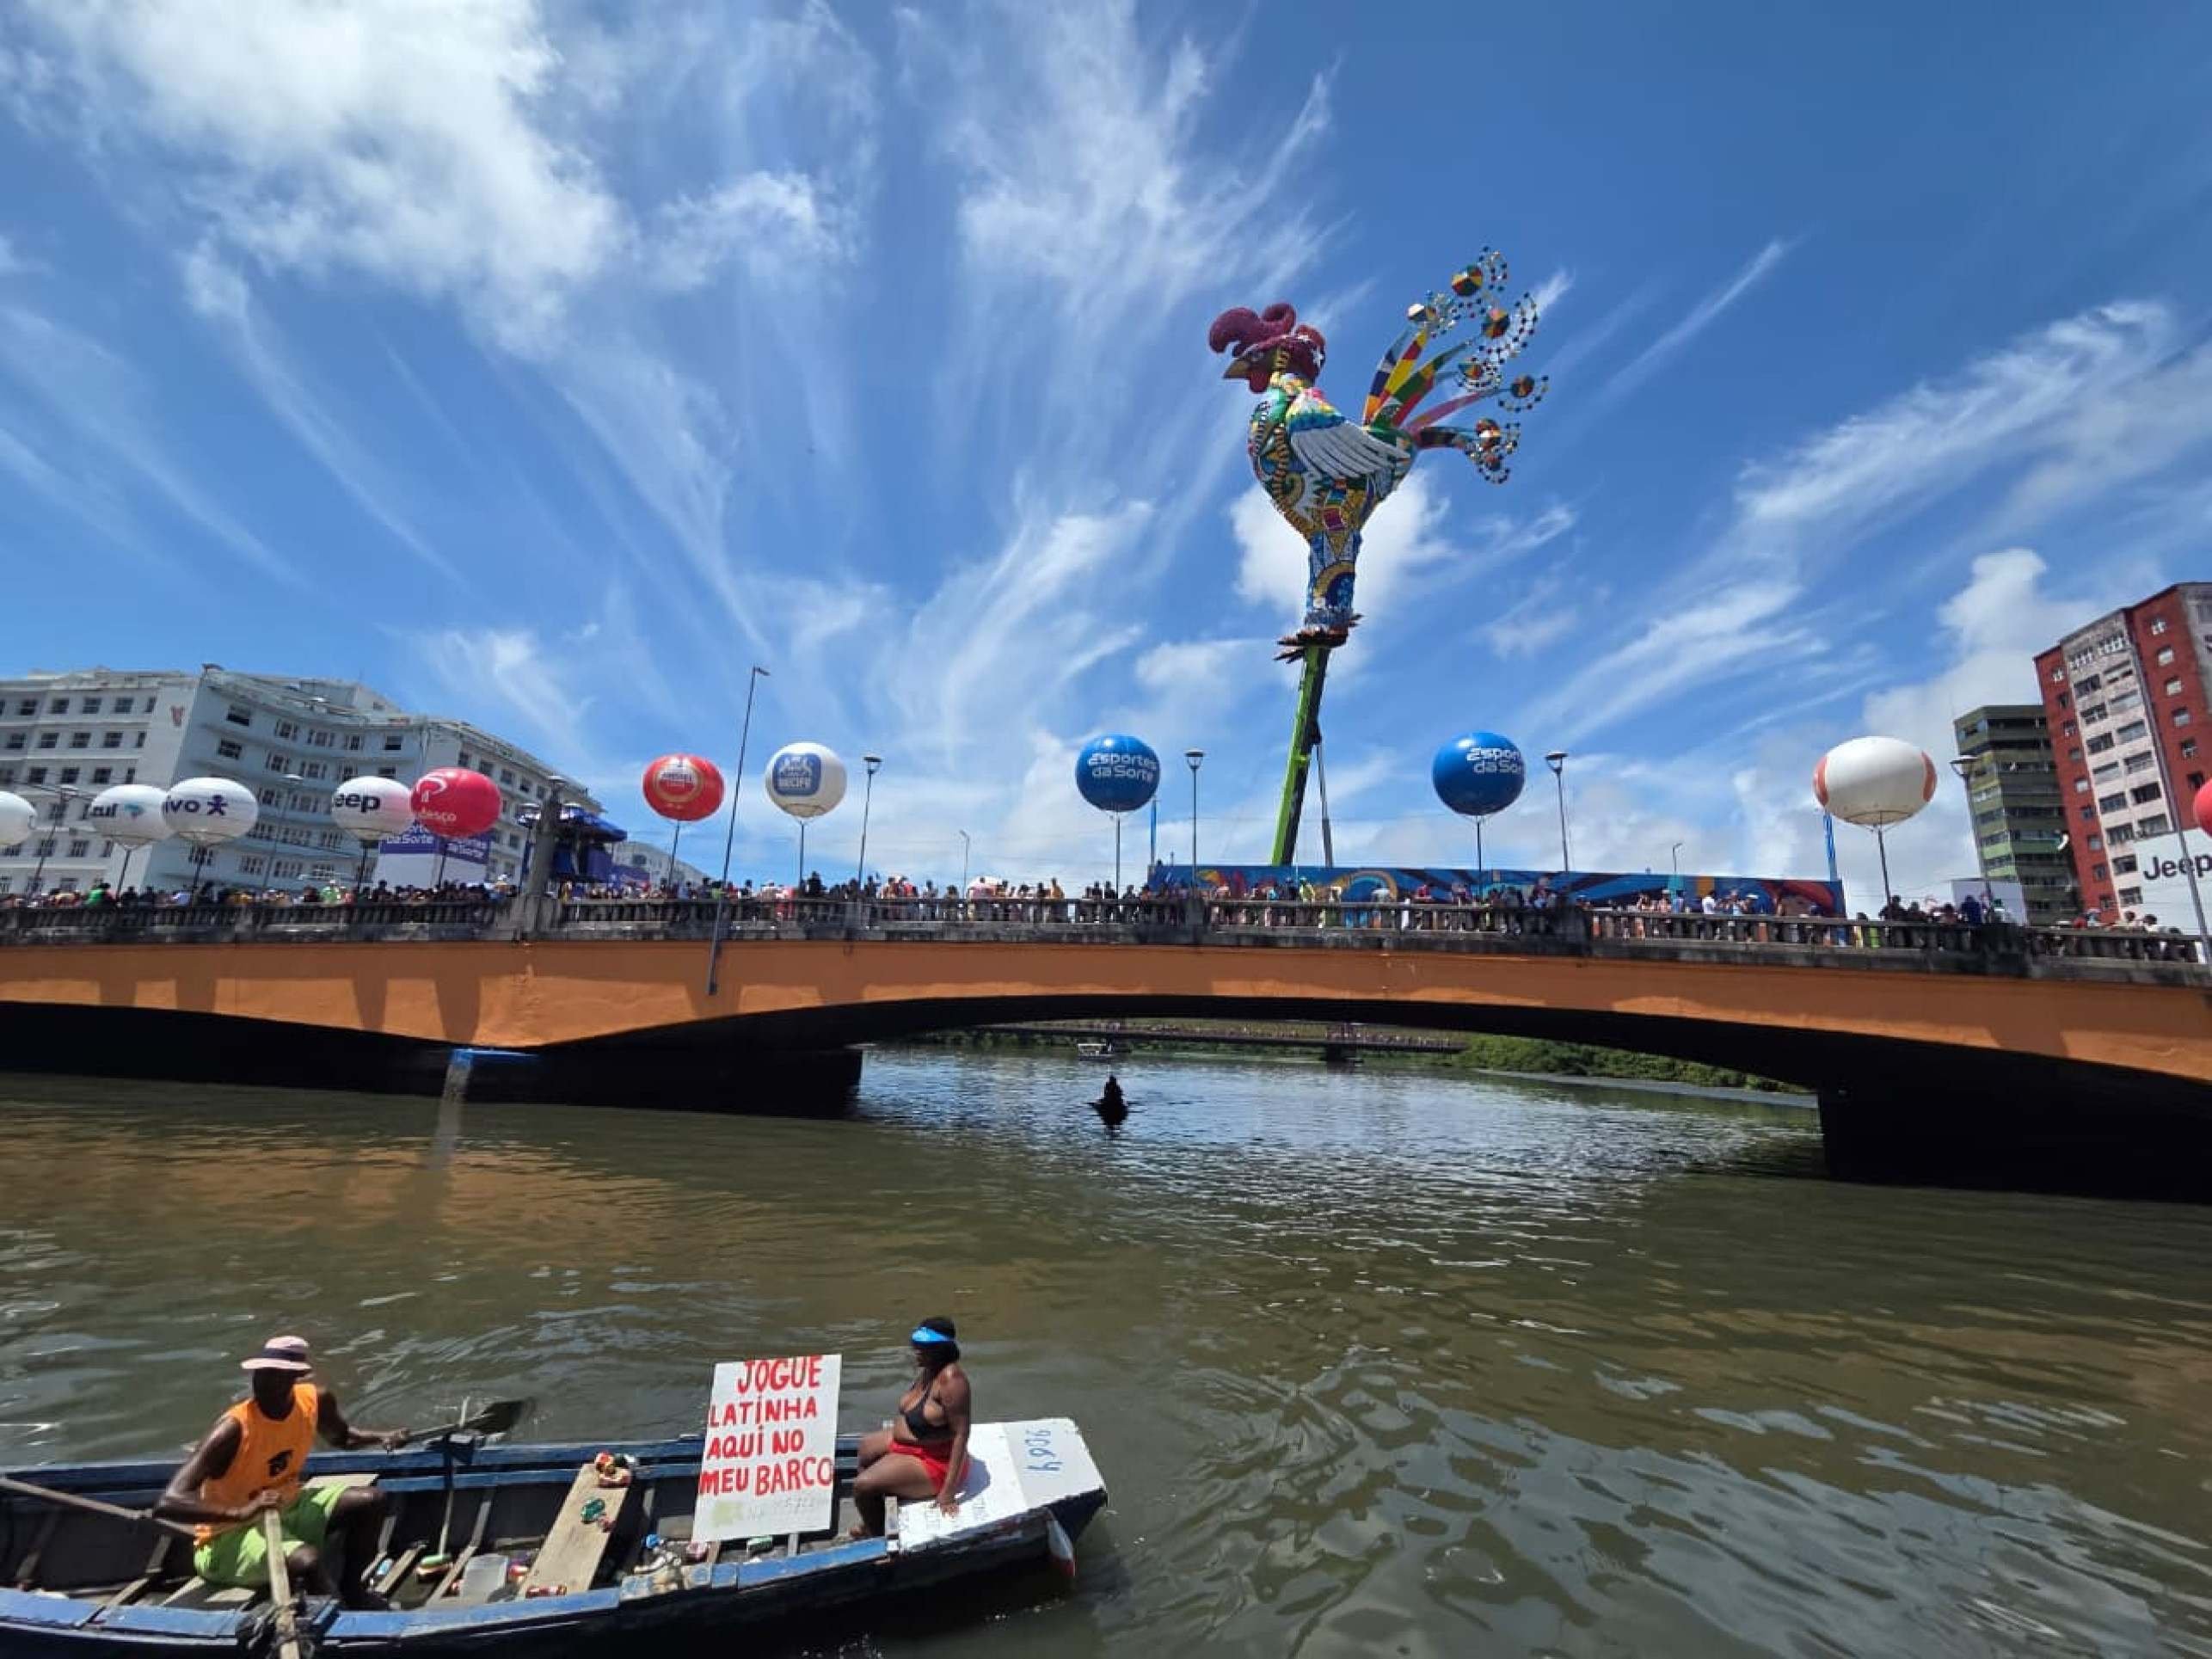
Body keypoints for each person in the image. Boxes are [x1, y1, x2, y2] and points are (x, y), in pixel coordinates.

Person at [157, 1336, 406, 1608]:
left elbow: (343, 1438)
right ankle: (335, 1617)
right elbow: (169, 1502)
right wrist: (242, 1512)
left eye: (273, 1375)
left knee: (372, 1501)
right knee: (307, 1561)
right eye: (260, 1373)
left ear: (295, 1377)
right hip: (228, 1535)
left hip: (287, 1506)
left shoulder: (314, 1401)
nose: (262, 1382)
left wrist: (382, 1437)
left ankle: (354, 1590)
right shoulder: (233, 1429)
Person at [851, 1318, 970, 1536]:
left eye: (924, 1347)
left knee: (862, 1485)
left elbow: (961, 1434)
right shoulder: (929, 1370)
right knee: (866, 1448)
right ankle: (874, 1513)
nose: (917, 1351)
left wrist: (948, 1492)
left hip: (937, 1461)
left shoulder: (953, 1381)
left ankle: (876, 1536)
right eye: (916, 1345)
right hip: (917, 1444)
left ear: (941, 1349)